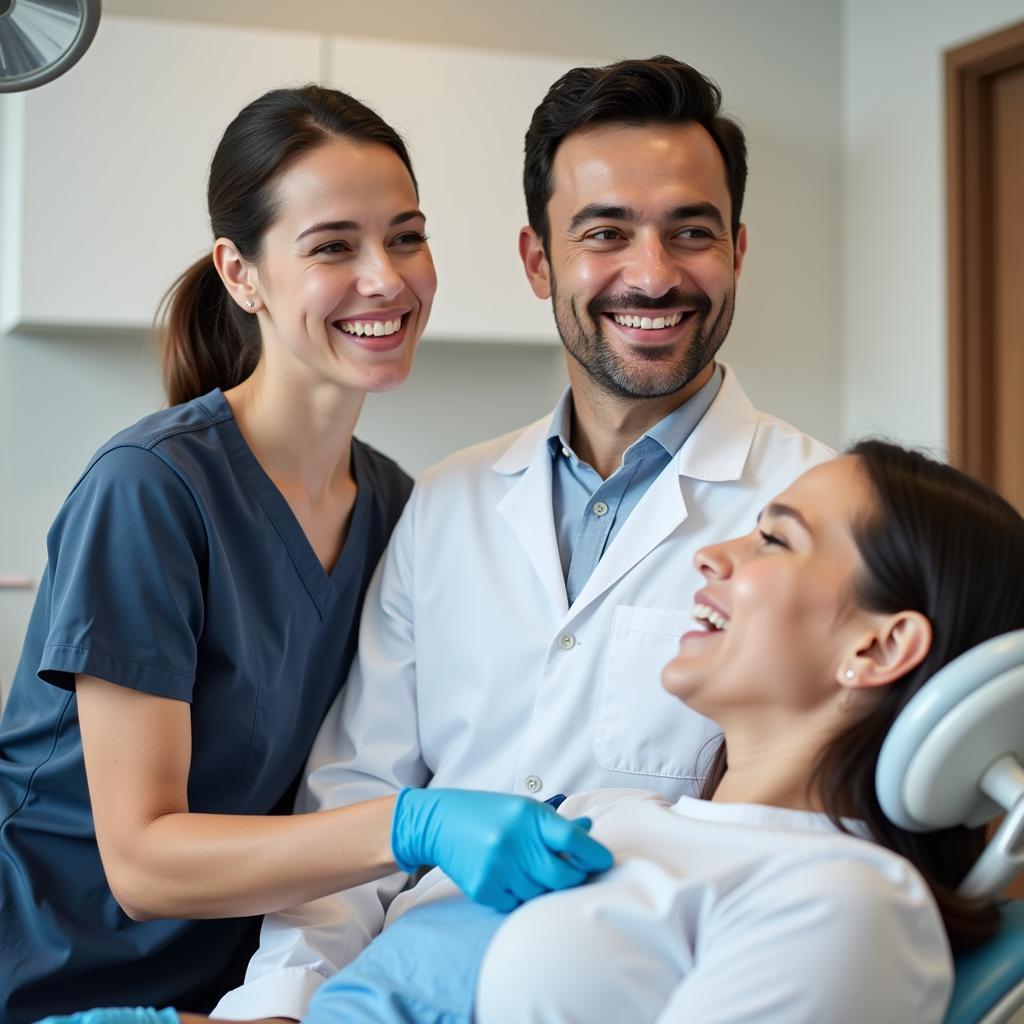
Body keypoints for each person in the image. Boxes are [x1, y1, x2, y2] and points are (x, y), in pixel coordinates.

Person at [213, 57, 835, 1019]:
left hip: (633, 988)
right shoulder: (450, 499)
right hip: (400, 978)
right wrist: (281, 1003)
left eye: (692, 232)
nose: (654, 273)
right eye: (605, 233)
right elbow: (357, 793)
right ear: (539, 260)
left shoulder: (814, 513)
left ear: (739, 250)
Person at [0, 86, 610, 1024]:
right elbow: (143, 861)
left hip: (232, 985)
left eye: (406, 236)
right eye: (334, 246)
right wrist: (416, 829)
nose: (387, 279)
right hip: (51, 976)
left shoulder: (399, 507)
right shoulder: (151, 490)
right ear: (241, 274)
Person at [282, 441, 1024, 1023]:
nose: (712, 554)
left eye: (774, 540)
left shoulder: (846, 902)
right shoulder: (610, 815)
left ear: (878, 648)